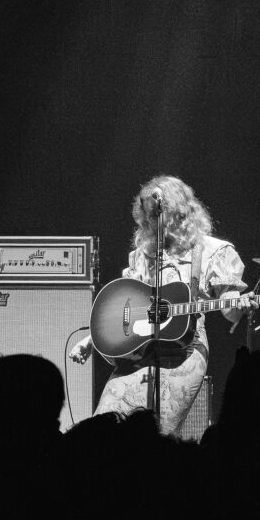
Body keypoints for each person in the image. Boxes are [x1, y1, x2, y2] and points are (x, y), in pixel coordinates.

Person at [71, 175, 247, 435]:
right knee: (105, 429)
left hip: (184, 350)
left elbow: (230, 313)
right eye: (147, 216)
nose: (149, 222)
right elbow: (128, 309)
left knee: (156, 434)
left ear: (176, 212)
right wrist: (91, 340)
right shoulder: (144, 254)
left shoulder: (212, 251)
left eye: (154, 215)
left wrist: (239, 305)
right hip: (139, 351)